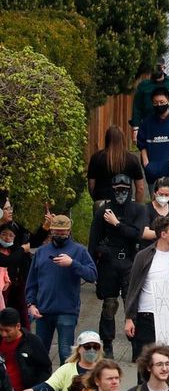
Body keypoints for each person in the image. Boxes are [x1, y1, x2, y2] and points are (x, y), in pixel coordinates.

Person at [88, 174, 148, 359]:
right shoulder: (103, 210)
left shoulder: (138, 209)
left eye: (124, 188)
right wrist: (93, 266)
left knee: (132, 305)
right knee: (109, 304)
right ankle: (107, 345)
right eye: (117, 189)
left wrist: (116, 224)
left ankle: (136, 346)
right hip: (108, 263)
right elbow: (93, 241)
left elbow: (136, 234)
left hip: (130, 262)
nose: (121, 192)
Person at [27, 215, 97, 363]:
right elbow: (32, 281)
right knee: (40, 355)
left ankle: (65, 386)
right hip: (43, 311)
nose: (59, 235)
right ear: (51, 231)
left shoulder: (79, 251)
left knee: (66, 354)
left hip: (67, 311)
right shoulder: (41, 252)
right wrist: (31, 304)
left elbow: (92, 275)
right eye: (56, 232)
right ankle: (43, 385)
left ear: (69, 231)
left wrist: (72, 263)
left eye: (63, 232)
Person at [122, 215, 169, 365]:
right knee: (145, 363)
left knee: (166, 363)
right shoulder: (143, 256)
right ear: (163, 234)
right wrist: (129, 318)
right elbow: (133, 287)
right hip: (146, 315)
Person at [89, 126, 146, 203]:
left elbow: (91, 185)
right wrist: (137, 207)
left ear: (107, 139)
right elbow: (140, 188)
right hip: (125, 203)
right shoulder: (132, 159)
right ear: (123, 139)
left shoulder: (96, 158)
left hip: (102, 201)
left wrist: (96, 199)